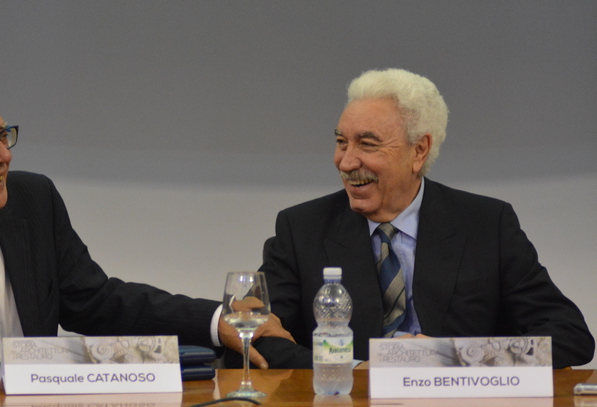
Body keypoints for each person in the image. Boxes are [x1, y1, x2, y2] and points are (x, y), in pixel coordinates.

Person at [0, 75, 292, 369]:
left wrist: (216, 320)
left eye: (2, 136)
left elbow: (98, 302)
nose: (3, 155)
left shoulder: (33, 203)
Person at [236, 68, 594, 370]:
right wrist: (356, 371)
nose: (346, 161)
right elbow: (255, 335)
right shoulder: (302, 229)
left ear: (419, 150)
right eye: (342, 142)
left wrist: (453, 360)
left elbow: (570, 336)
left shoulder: (487, 225)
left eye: (367, 144)